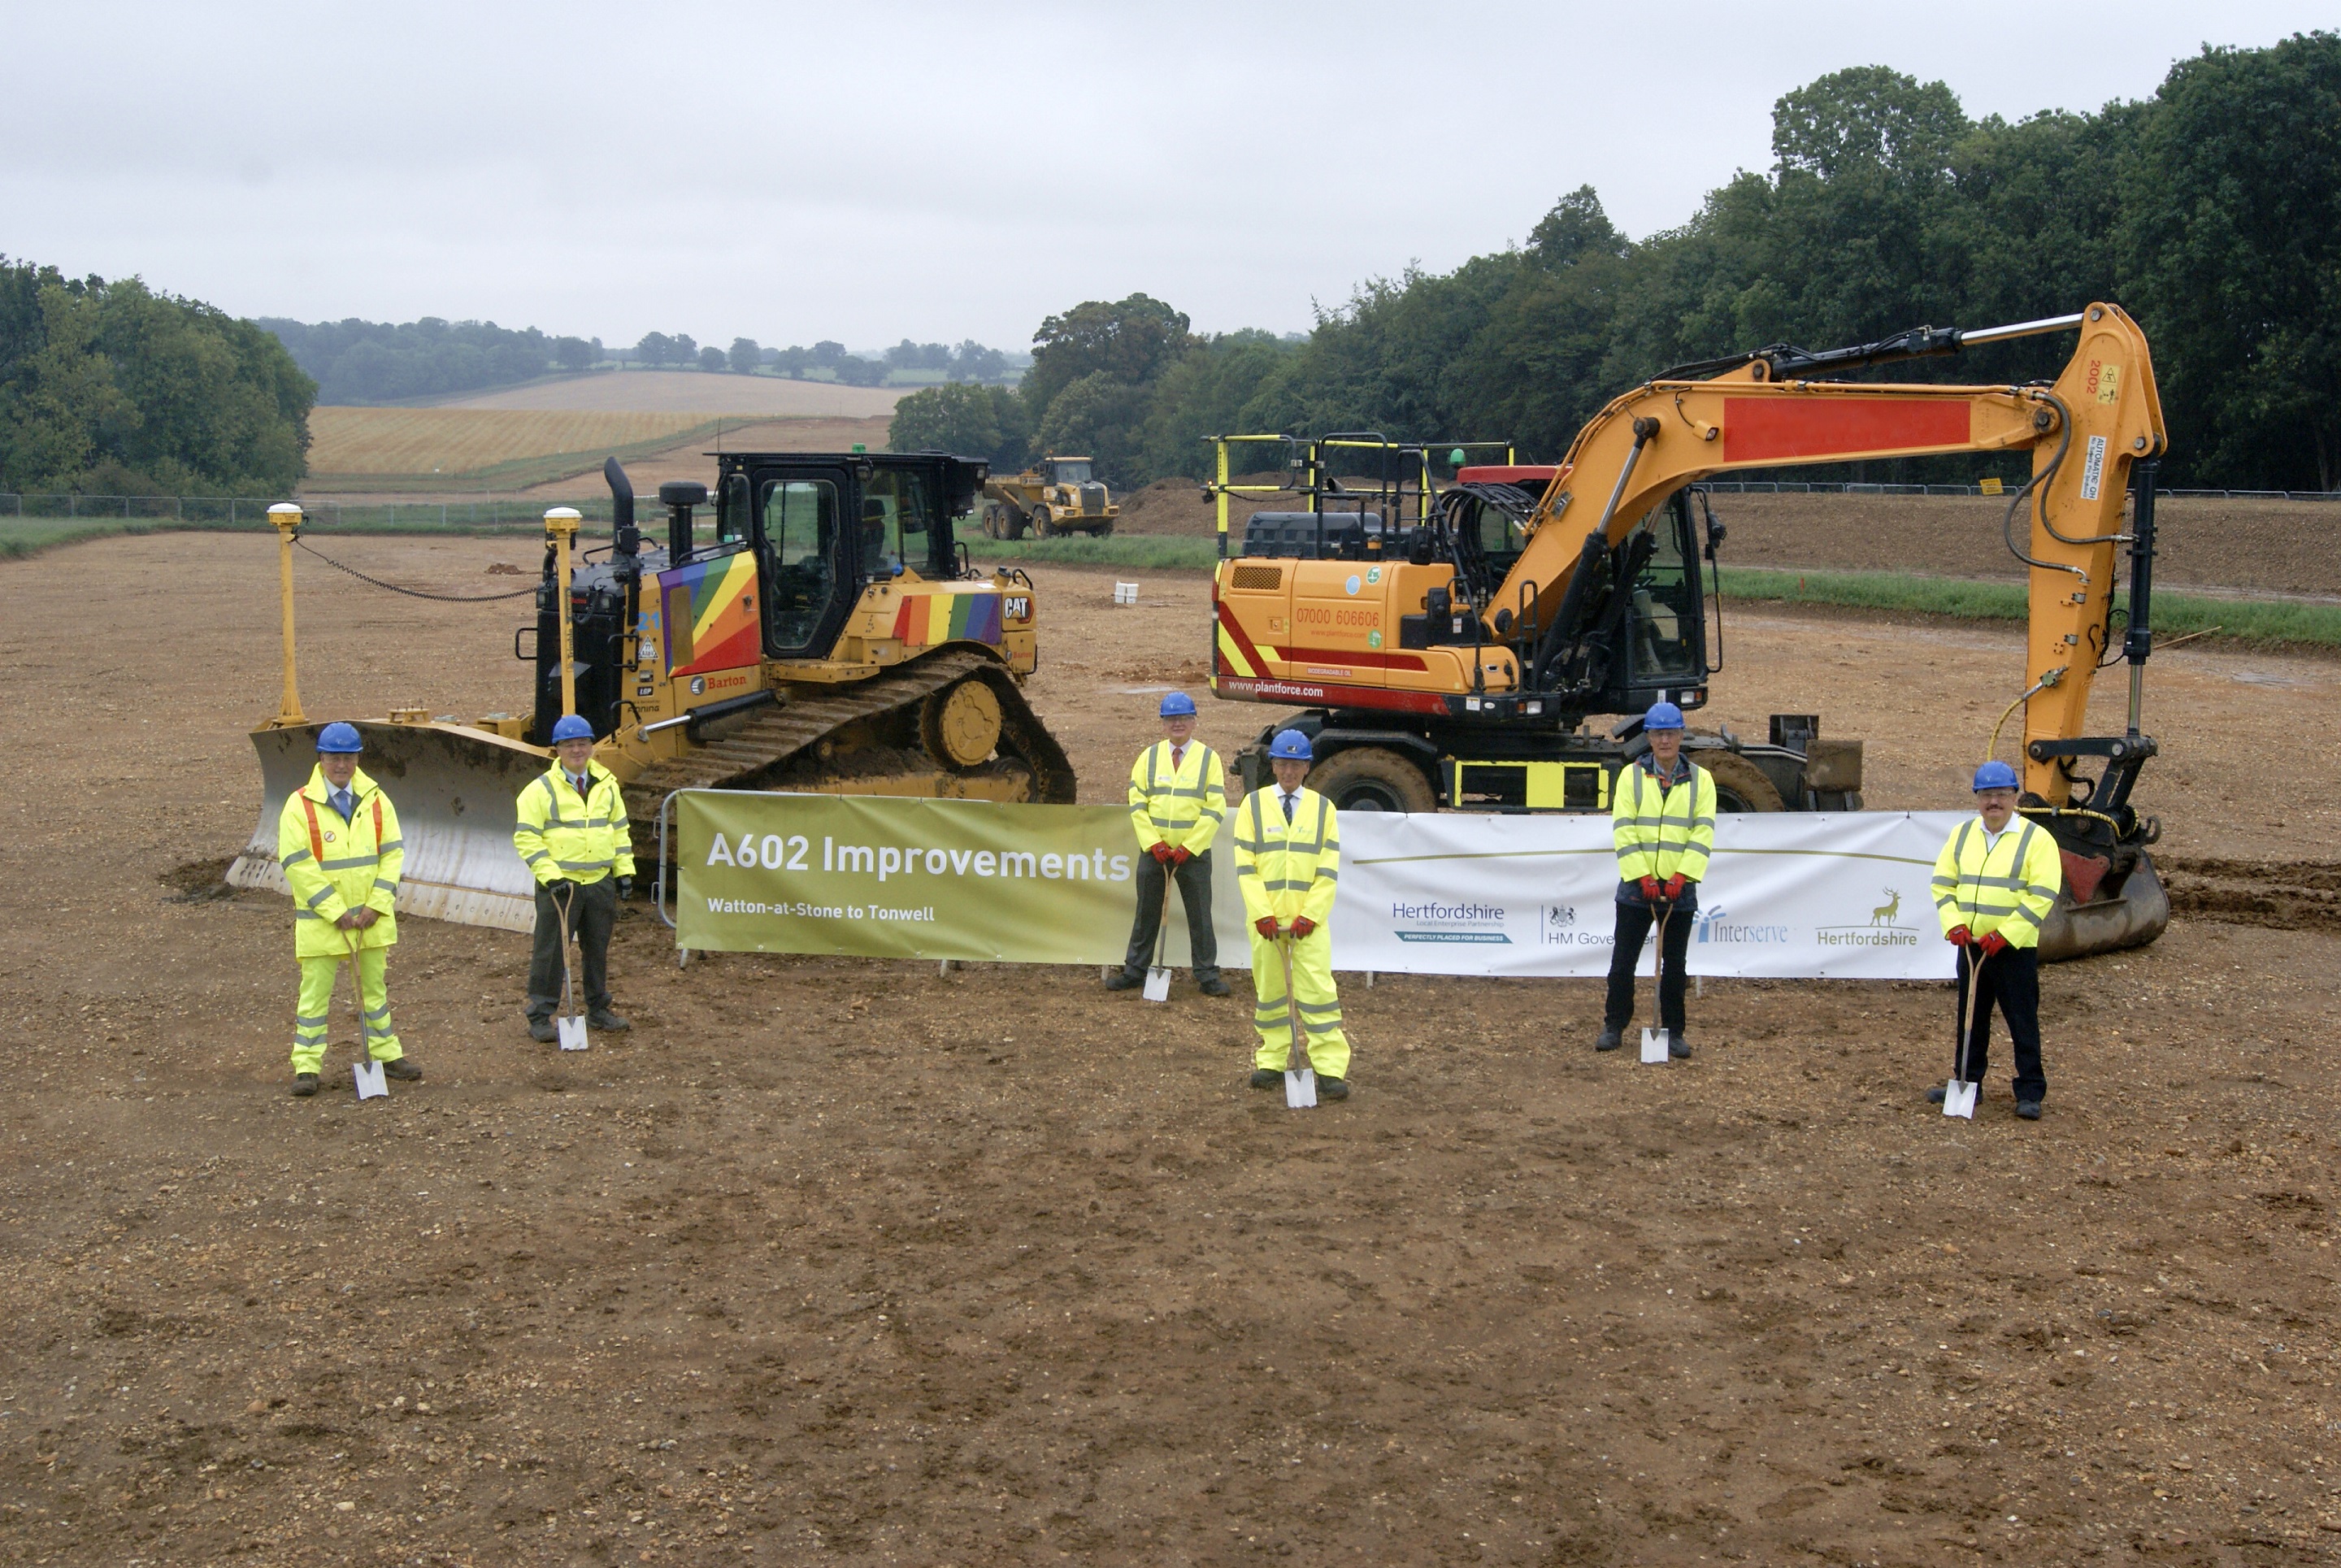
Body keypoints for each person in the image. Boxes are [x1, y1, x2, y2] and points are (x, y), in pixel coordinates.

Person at [276, 723, 421, 1096]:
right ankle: (307, 1067)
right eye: (334, 757)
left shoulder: (376, 799)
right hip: (324, 924)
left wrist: (377, 905)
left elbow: (393, 854)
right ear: (321, 759)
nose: (341, 765)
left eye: (348, 757)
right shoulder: (299, 805)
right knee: (314, 998)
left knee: (374, 992)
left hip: (370, 922)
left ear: (358, 759)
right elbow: (297, 864)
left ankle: (388, 1055)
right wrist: (334, 910)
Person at [1929, 760, 2062, 1119]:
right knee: (1970, 1017)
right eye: (1987, 795)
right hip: (1971, 945)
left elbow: (2043, 894)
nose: (1994, 803)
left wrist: (2005, 934)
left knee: (2022, 1019)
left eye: (2002, 794)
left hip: (2012, 949)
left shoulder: (2037, 839)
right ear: (1977, 799)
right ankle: (1967, 1084)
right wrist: (1953, 923)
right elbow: (1943, 883)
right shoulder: (1962, 835)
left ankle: (2030, 1091)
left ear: (2014, 797)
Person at [1233, 729, 1350, 1098]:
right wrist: (1262, 913)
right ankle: (1271, 1061)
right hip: (1266, 925)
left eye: (1296, 764)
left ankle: (1330, 1071)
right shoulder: (1252, 807)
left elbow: (1328, 870)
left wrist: (1311, 916)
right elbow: (1245, 867)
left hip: (1308, 926)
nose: (1289, 771)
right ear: (1273, 765)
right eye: (1283, 763)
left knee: (1319, 994)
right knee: (1270, 993)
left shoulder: (1323, 809)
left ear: (1307, 767)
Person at [1596, 701, 1715, 1058]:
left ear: (1681, 735)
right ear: (1648, 737)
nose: (1665, 740)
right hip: (1637, 888)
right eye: (1658, 733)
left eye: (1671, 732)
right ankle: (1614, 1026)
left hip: (1680, 890)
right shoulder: (1631, 776)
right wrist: (1642, 876)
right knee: (1623, 962)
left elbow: (1702, 831)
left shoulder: (1701, 780)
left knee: (1675, 965)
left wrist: (1683, 875)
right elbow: (1625, 829)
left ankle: (1674, 1032)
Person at [514, 714, 636, 1041]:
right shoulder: (538, 791)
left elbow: (619, 831)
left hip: (599, 882)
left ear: (592, 746)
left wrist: (624, 872)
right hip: (560, 887)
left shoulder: (607, 785)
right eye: (569, 745)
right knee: (551, 952)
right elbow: (526, 838)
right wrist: (550, 876)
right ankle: (540, 1015)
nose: (577, 750)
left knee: (597, 950)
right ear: (557, 750)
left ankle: (598, 1010)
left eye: (583, 743)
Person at [1107, 691, 1231, 996]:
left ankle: (1207, 975)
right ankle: (1135, 970)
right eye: (1171, 719)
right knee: (1146, 914)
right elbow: (1137, 804)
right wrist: (1153, 843)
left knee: (1200, 916)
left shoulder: (1208, 758)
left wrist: (1191, 846)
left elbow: (1215, 807)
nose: (1178, 724)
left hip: (1194, 855)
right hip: (1156, 854)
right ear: (1163, 724)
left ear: (1194, 721)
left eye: (1184, 718)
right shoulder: (1148, 757)